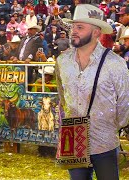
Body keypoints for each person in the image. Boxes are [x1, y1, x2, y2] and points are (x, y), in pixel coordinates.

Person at [56, 4, 129, 179]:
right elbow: (62, 97)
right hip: (73, 138)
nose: (73, 31)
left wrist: (109, 127)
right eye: (73, 26)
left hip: (104, 142)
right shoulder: (62, 61)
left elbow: (125, 104)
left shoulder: (115, 64)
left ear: (96, 32)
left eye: (80, 27)